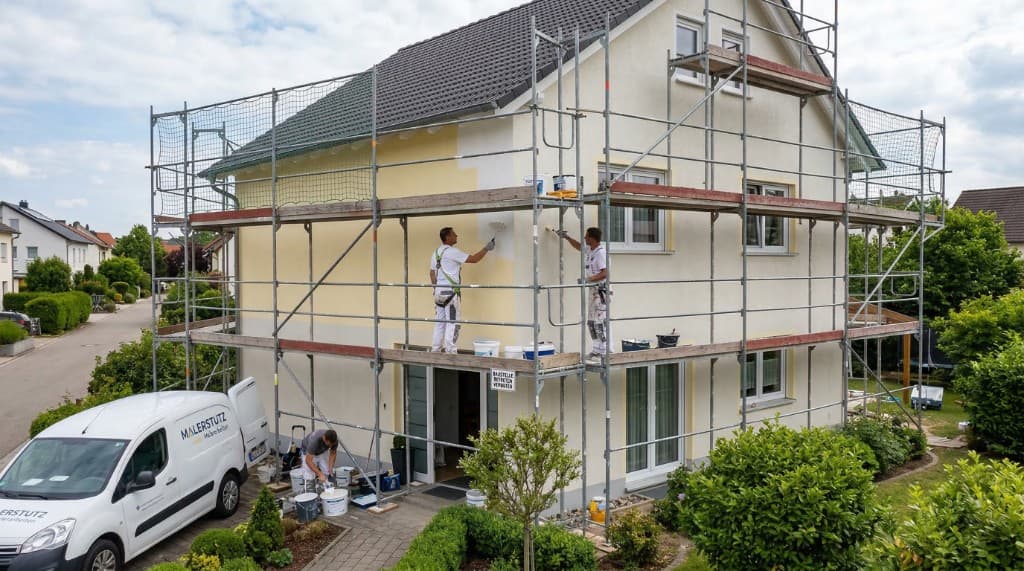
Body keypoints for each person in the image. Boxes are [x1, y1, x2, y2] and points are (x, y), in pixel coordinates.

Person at [431, 227, 495, 353]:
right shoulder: (452, 252)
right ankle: (451, 351)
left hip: (438, 293)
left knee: (440, 323)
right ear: (448, 237)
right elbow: (474, 259)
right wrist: (486, 249)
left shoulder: (435, 253)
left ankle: (435, 350)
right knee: (453, 323)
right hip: (450, 294)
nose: (457, 236)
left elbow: (432, 273)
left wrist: (436, 288)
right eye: (454, 234)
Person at [554, 226, 611, 359]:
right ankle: (596, 350)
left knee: (599, 321)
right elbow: (579, 246)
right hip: (593, 290)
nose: (585, 238)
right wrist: (566, 237)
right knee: (591, 322)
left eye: (586, 236)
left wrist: (588, 279)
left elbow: (605, 273)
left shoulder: (600, 253)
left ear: (592, 238)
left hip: (601, 291)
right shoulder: (591, 250)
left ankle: (603, 352)